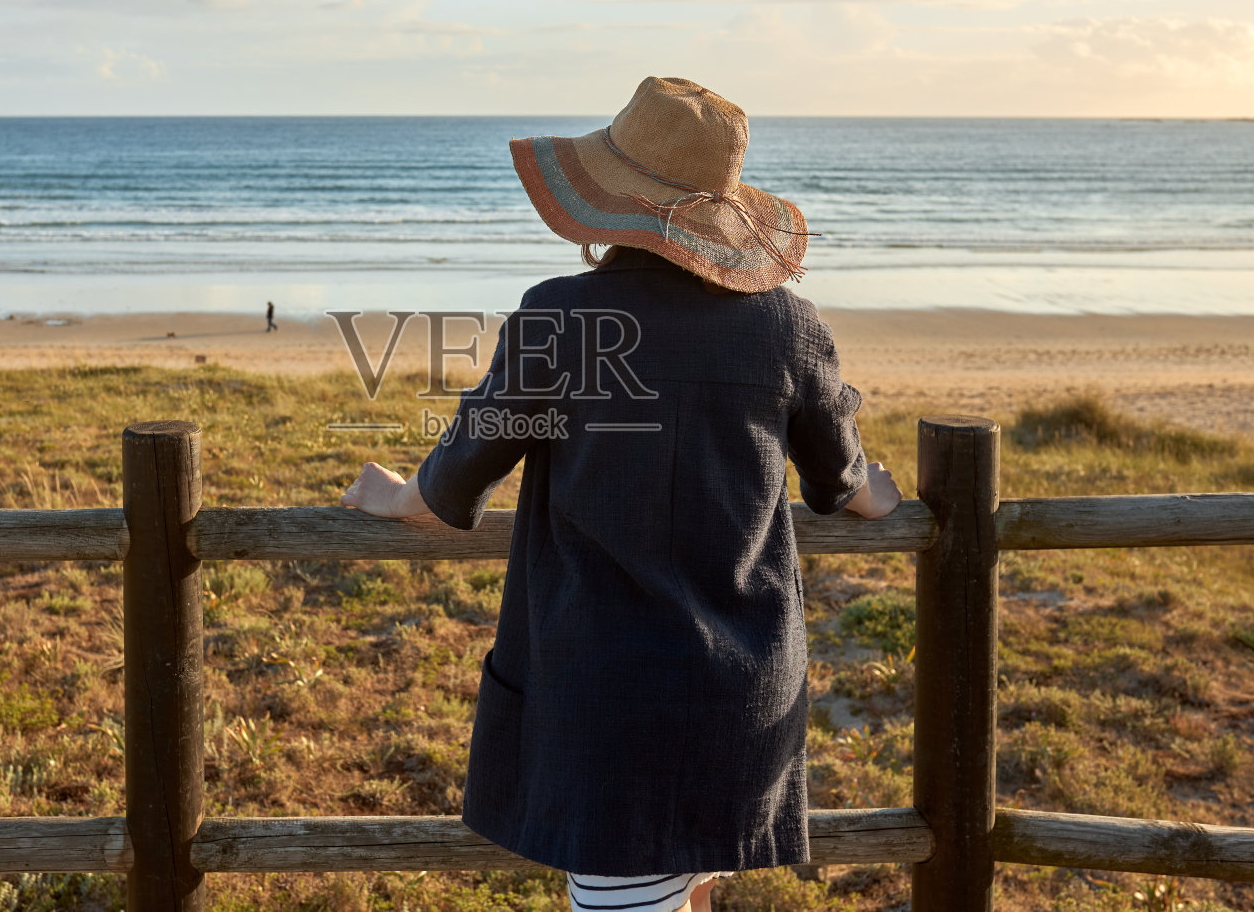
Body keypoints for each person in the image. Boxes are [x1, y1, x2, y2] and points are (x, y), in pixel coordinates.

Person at [342, 77, 902, 912]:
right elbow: (839, 475)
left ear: (612, 203)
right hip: (744, 698)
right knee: (690, 897)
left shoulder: (559, 319)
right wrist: (880, 495)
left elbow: (457, 477)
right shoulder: (788, 325)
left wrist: (391, 498)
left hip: (609, 706)